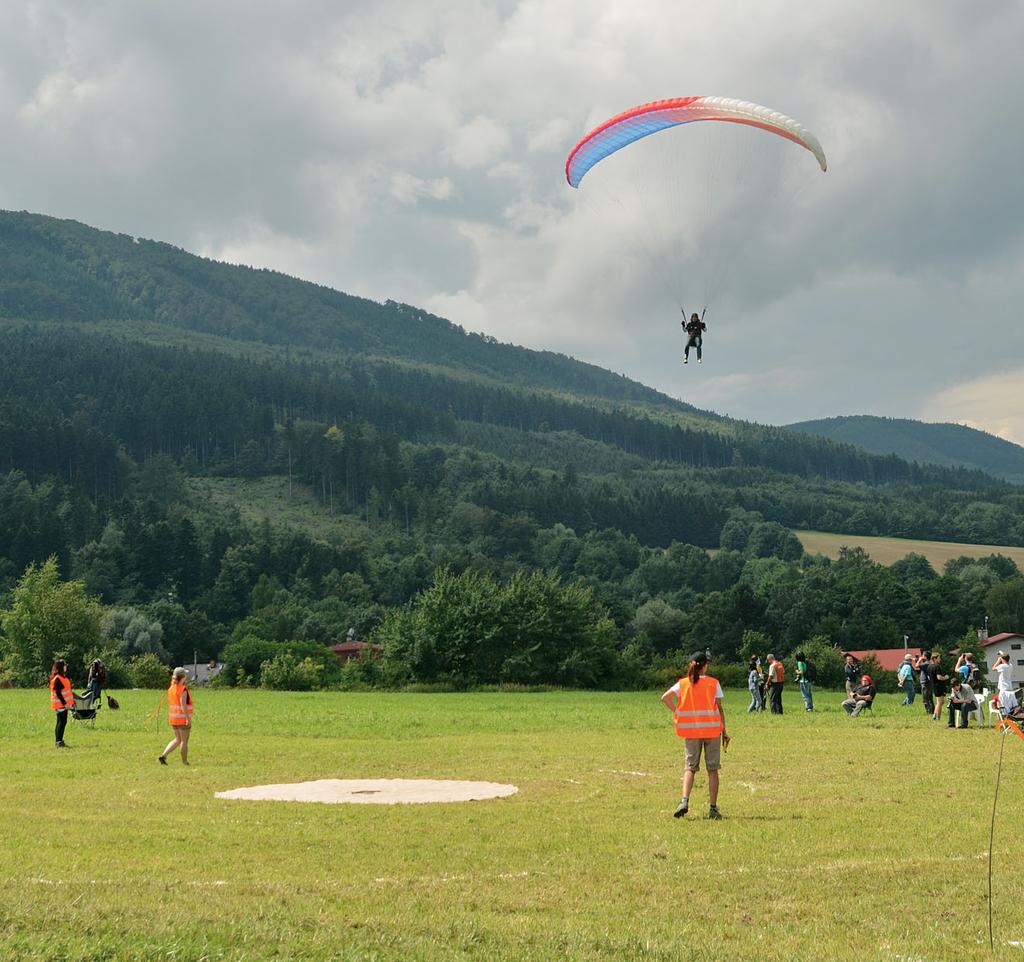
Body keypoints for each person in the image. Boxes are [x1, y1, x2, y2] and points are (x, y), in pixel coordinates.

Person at [661, 651, 728, 819]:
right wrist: (724, 731)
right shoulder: (714, 683)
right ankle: (713, 808)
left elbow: (665, 698)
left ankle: (684, 801)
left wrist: (678, 712)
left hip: (691, 731)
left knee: (690, 768)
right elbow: (719, 708)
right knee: (712, 769)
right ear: (704, 666)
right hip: (712, 731)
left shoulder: (683, 684)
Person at [158, 667, 194, 765]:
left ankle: (163, 755)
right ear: (183, 677)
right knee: (184, 741)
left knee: (177, 739)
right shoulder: (183, 689)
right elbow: (183, 705)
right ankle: (185, 761)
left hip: (173, 719)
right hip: (182, 719)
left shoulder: (171, 688)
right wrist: (188, 719)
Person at [50, 658, 75, 748]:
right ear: (61, 667)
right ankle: (59, 741)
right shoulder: (58, 679)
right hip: (61, 704)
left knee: (60, 722)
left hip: (62, 704)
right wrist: (65, 704)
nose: (66, 667)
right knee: (62, 722)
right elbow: (58, 693)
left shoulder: (62, 677)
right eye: (64, 665)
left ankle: (58, 741)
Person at [993, 650, 1019, 716]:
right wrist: (1001, 654)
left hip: (1003, 689)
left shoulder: (1003, 666)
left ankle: (1005, 718)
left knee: (1004, 706)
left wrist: (998, 660)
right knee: (1009, 706)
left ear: (1002, 659)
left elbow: (993, 668)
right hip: (1009, 688)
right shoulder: (1010, 665)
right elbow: (1005, 658)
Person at [930, 652, 949, 722]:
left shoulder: (929, 666)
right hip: (939, 686)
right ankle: (938, 717)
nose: (940, 659)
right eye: (939, 658)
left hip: (933, 686)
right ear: (935, 659)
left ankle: (934, 715)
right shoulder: (937, 666)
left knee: (939, 702)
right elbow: (939, 677)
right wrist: (946, 677)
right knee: (940, 702)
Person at [914, 650, 934, 716]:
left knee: (925, 698)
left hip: (925, 682)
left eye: (922, 655)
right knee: (930, 697)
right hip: (930, 681)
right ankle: (933, 710)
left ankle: (929, 711)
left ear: (925, 656)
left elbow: (916, 666)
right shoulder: (930, 663)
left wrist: (919, 660)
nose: (921, 656)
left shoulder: (925, 664)